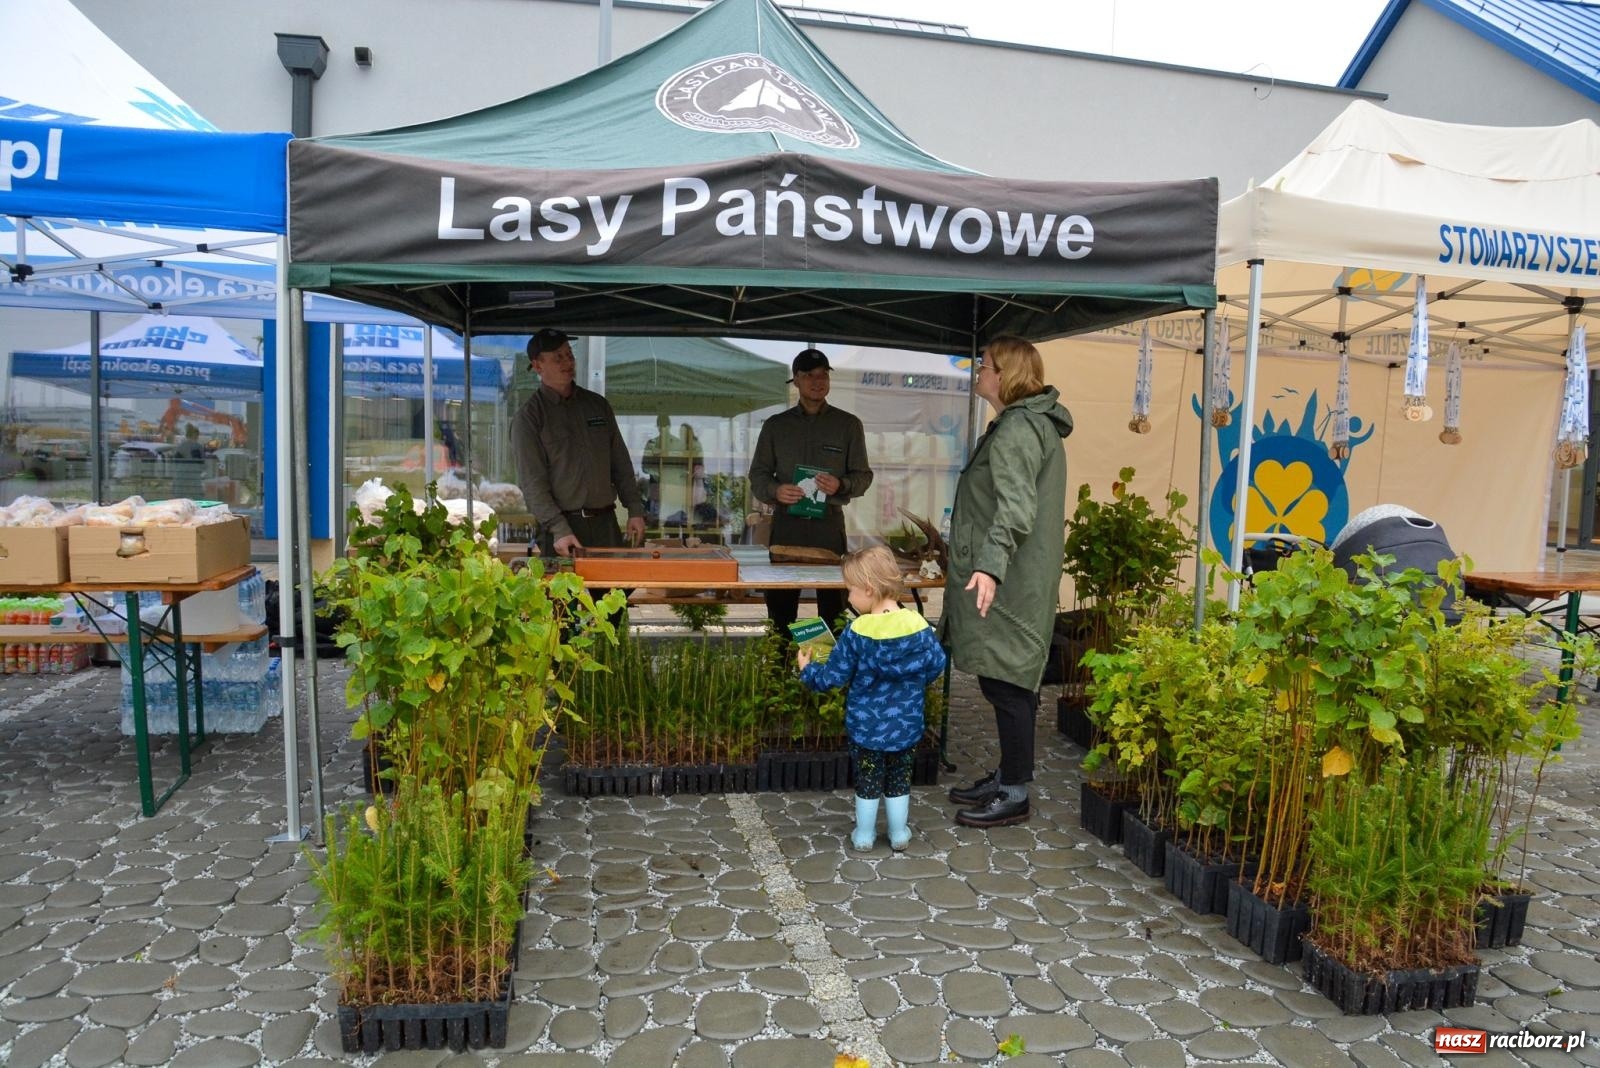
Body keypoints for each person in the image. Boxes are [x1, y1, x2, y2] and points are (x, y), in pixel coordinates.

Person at [940, 335, 1073, 829]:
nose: (979, 369)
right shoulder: (1022, 424)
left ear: (1005, 374)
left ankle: (1015, 792)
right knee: (1005, 678)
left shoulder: (1019, 427)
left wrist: (989, 566)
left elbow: (1016, 509)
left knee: (1009, 680)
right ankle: (1008, 775)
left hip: (1008, 576)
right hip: (1011, 572)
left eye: (986, 364)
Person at [798, 546, 947, 851]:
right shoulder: (919, 625)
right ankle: (898, 833)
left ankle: (864, 835)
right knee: (898, 779)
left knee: (867, 780)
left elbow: (833, 677)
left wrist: (808, 669)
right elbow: (937, 664)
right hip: (906, 725)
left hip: (866, 728)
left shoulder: (857, 631)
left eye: (850, 590)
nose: (848, 597)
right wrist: (913, 687)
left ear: (868, 589)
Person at [748, 348, 873, 636]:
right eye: (809, 376)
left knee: (833, 611)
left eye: (823, 375)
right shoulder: (776, 426)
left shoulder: (848, 425)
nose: (818, 381)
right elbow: (758, 475)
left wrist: (841, 485)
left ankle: (828, 676)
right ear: (796, 380)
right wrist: (775, 490)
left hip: (828, 530)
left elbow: (863, 476)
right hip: (786, 529)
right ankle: (780, 673)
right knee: (781, 612)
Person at [511, 329, 646, 557]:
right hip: (563, 531)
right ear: (537, 366)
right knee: (568, 594)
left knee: (616, 591)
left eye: (569, 354)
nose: (567, 362)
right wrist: (559, 529)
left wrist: (635, 509)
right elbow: (532, 484)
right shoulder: (529, 418)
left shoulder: (597, 406)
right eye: (558, 357)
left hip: (606, 524)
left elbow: (620, 463)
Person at [171, 423, 207, 499]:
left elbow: (175, 461)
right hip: (193, 474)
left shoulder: (180, 446)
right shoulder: (198, 447)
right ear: (195, 435)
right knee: (196, 496)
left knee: (180, 496)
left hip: (180, 474)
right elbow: (201, 462)